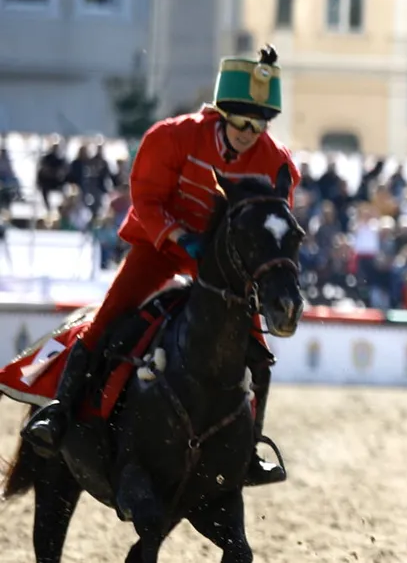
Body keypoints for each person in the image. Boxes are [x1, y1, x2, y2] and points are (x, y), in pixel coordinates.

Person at [22, 46, 299, 487]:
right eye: (241, 122)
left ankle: (249, 452)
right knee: (108, 318)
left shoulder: (276, 161)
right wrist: (179, 236)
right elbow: (146, 201)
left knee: (258, 356)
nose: (250, 133)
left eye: (260, 124)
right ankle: (58, 413)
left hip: (222, 264)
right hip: (162, 247)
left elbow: (270, 220)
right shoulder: (172, 137)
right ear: (221, 114)